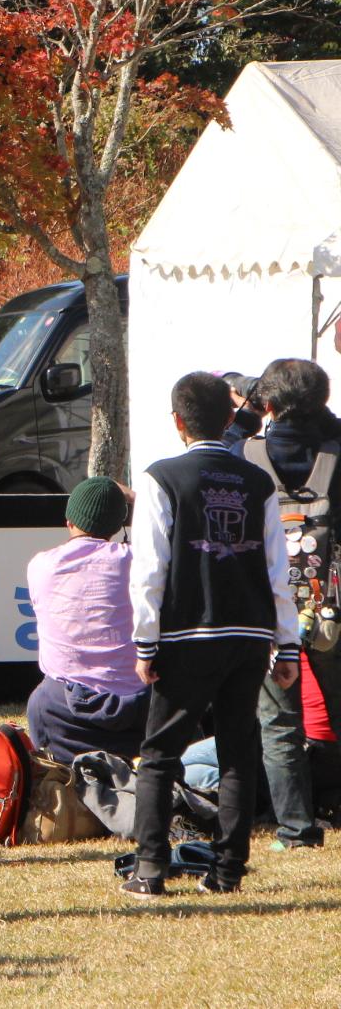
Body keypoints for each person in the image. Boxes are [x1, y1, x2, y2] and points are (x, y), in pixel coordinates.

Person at [123, 372, 300, 899]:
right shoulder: (258, 482)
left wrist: (145, 643)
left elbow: (150, 567)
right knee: (237, 752)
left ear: (177, 421)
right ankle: (227, 871)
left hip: (185, 634)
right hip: (248, 635)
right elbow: (278, 570)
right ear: (230, 419)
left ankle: (150, 869)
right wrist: (286, 644)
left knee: (159, 754)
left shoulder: (162, 478)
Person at [241, 357, 339, 850]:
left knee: (278, 720)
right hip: (333, 606)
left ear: (269, 405)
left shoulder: (246, 455)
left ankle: (296, 830)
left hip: (270, 608)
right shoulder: (337, 450)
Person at [24, 476, 152, 761]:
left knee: (38, 700)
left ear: (69, 521)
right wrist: (138, 500)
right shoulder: (138, 562)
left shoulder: (41, 566)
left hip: (64, 715)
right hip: (139, 713)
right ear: (118, 527)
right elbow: (182, 528)